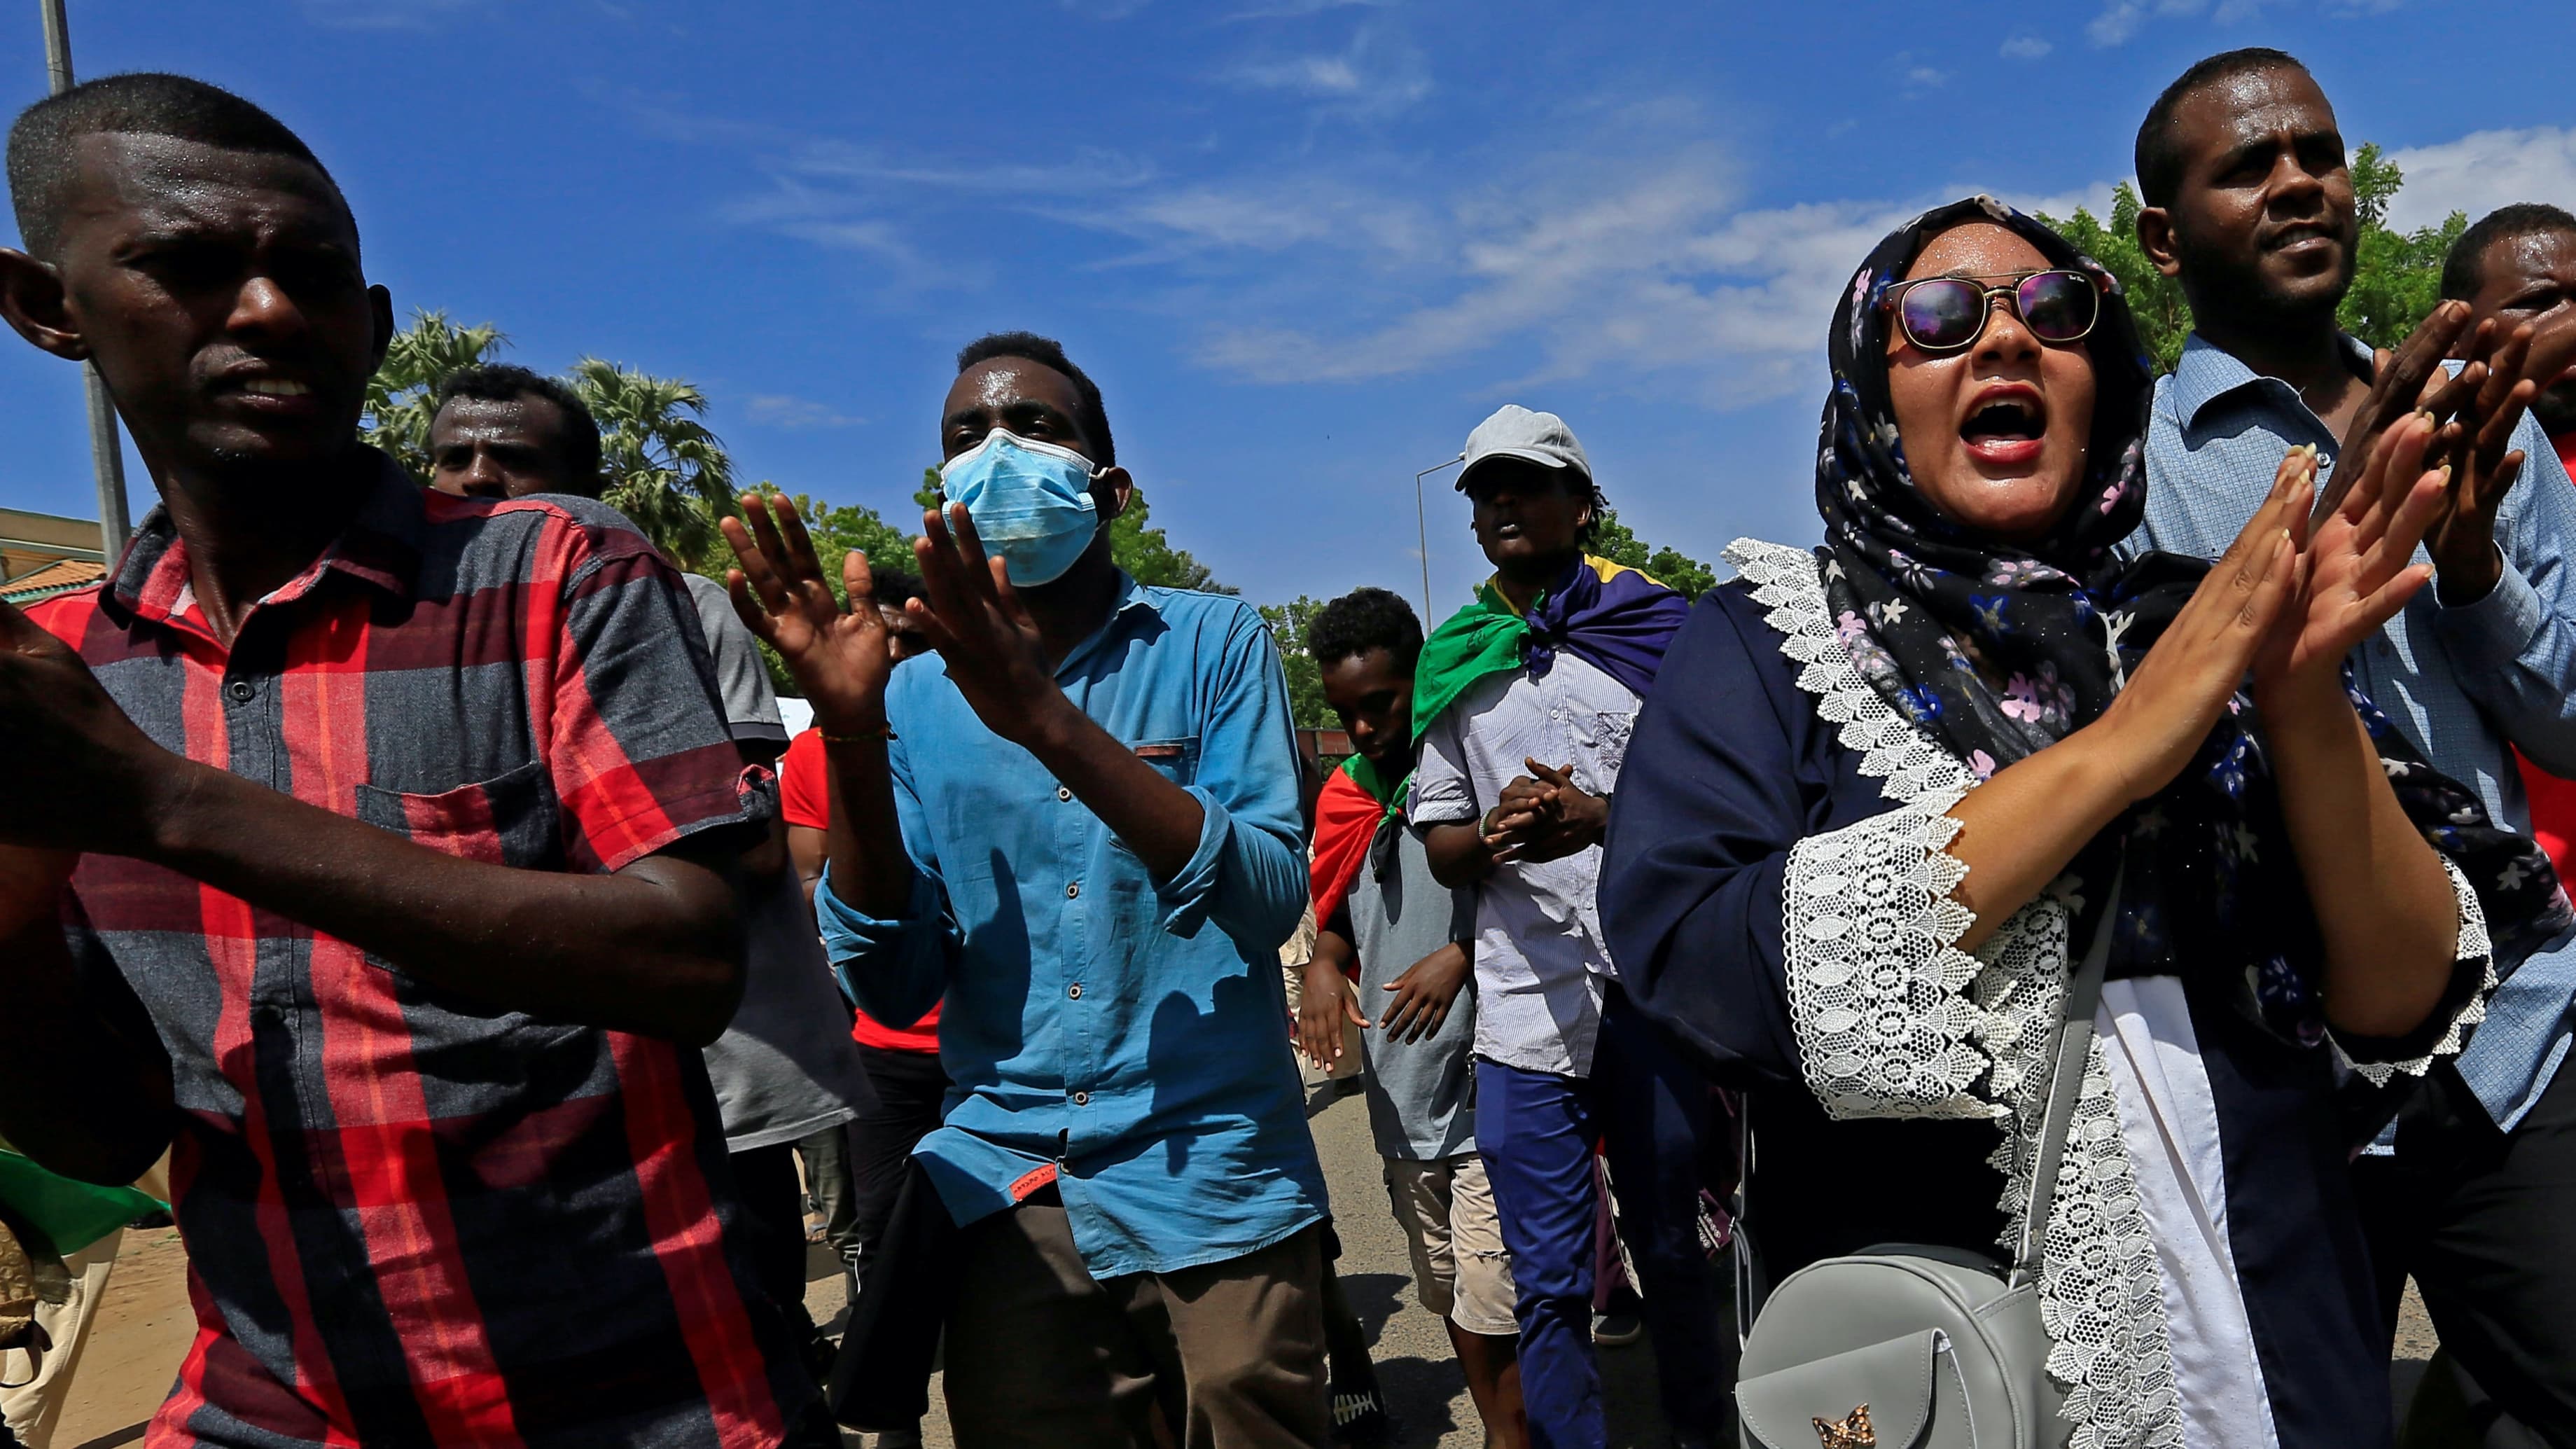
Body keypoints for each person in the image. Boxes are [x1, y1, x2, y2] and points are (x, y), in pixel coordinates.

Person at [1603, 196, 2562, 1448]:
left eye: (2054, 311)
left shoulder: (2201, 616)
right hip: (1955, 1375)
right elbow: (1695, 962)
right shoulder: (1764, 643)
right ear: (1867, 388)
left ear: (2098, 380)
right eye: (1936, 318)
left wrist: (2296, 693)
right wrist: (2119, 746)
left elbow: (2392, 1000)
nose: (2002, 341)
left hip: (2278, 1348)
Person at [0, 74, 833, 1446]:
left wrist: (161, 802)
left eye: (314, 276)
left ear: (373, 325)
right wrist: (14, 930)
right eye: (192, 267)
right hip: (278, 1403)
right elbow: (102, 1132)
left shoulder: (555, 576)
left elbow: (687, 961)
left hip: (640, 1403)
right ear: (47, 307)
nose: (269, 312)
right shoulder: (62, 680)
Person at [723, 331, 1330, 1449]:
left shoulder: (1214, 640)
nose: (999, 450)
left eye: (1036, 427)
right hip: (1008, 1176)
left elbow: (1265, 898)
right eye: (967, 436)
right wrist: (853, 731)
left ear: (1111, 484)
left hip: (1211, 1168)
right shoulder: (911, 698)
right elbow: (890, 975)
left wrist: (1039, 718)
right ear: (940, 488)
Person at [2126, 50, 2576, 1441]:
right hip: (2281, 1079)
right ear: (2161, 237)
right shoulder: (2128, 465)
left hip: (2519, 1039)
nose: (2297, 182)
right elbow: (2161, 743)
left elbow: (2565, 713)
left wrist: (2468, 555)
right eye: (2247, 166)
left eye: (2316, 153)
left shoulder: (2491, 432)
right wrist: (2340, 503)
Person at [426, 361, 868, 1385]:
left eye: (516, 461)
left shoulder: (673, 604)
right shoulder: (402, 634)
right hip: (512, 1094)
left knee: (743, 1334)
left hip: (709, 1061)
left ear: (583, 490)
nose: (479, 479)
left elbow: (740, 833)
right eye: (455, 457)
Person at [1407, 405, 1728, 1449]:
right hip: (1522, 1016)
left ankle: (1699, 1431)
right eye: (1483, 491)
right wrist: (1496, 833)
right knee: (1543, 1283)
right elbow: (1439, 838)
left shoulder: (1664, 632)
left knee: (1677, 1255)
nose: (1501, 504)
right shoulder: (1458, 658)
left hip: (1651, 998)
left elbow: (1722, 800)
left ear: (1580, 505)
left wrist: (1599, 816)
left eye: (1525, 484)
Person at [1297, 587, 1527, 1449]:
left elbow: (1542, 900)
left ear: (1418, 680)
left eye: (1379, 704)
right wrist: (1323, 965)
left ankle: (1517, 1435)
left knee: (1497, 1292)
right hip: (1400, 1100)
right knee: (1452, 1297)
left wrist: (1461, 954)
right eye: (1344, 713)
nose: (1362, 729)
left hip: (1490, 1079)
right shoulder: (1345, 798)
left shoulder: (1470, 765)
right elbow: (1338, 915)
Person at [2444, 206, 2576, 884]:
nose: (2569, 320)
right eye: (2540, 303)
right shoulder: (2418, 472)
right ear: (2456, 333)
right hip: (2516, 925)